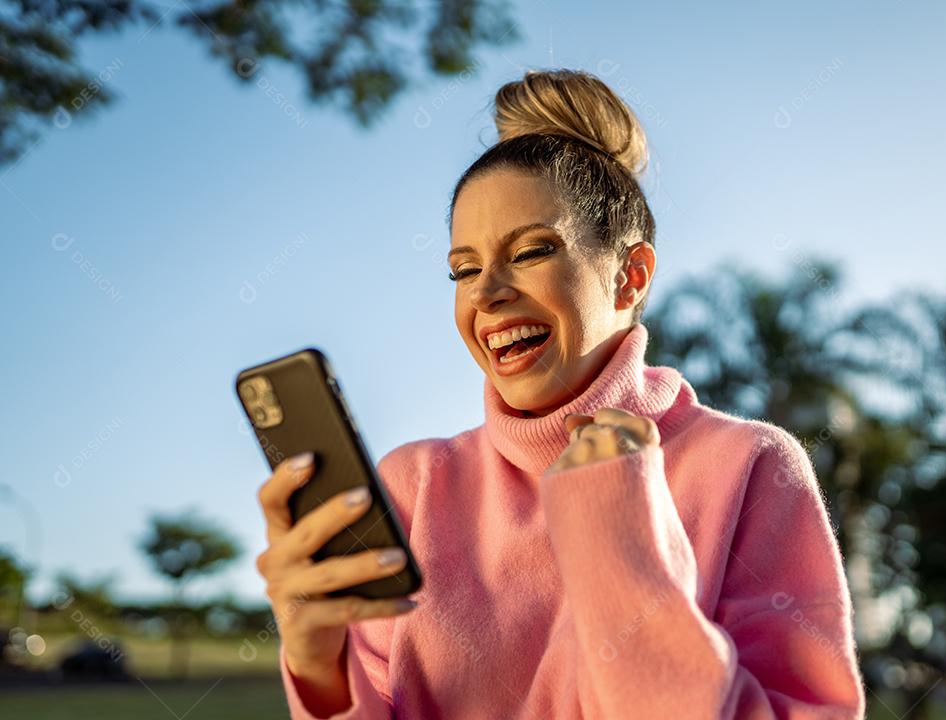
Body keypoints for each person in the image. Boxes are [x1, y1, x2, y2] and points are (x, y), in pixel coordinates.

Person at [255, 68, 866, 719]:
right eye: (464, 269)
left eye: (530, 251)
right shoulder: (412, 484)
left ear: (630, 277)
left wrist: (614, 527)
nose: (488, 293)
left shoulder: (749, 466)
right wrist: (320, 671)